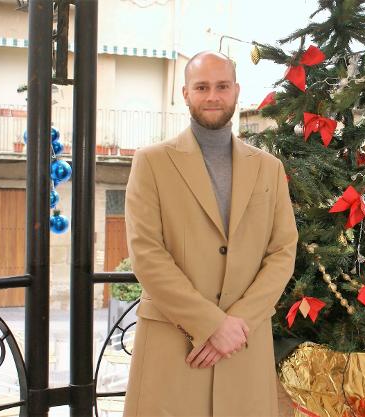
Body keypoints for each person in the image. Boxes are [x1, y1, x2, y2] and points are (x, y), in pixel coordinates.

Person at [123, 51, 298, 417]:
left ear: (236, 91)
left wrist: (238, 325)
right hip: (174, 346)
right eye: (201, 87)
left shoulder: (269, 168)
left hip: (243, 346)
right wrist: (211, 325)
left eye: (221, 87)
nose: (212, 96)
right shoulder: (151, 162)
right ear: (185, 93)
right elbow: (146, 254)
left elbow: (282, 251)